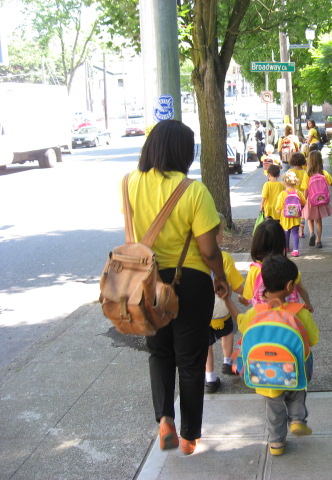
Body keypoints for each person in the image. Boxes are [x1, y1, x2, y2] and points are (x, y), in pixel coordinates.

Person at [126, 119, 230, 456]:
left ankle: (164, 420)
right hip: (191, 282)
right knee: (190, 359)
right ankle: (189, 437)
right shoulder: (193, 191)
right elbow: (209, 249)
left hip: (147, 281)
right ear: (183, 152)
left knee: (159, 352)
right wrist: (220, 277)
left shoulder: (128, 184)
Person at [225, 255, 319, 456]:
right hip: (294, 371)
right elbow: (313, 340)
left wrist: (227, 300)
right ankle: (296, 419)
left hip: (264, 372)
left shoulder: (255, 312)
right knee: (297, 391)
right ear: (290, 285)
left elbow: (241, 324)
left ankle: (276, 444)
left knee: (273, 405)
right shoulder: (299, 312)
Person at [205, 214, 248, 394]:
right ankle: (227, 361)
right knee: (228, 332)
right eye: (221, 231)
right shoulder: (225, 258)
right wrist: (248, 295)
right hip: (222, 309)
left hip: (203, 312)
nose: (222, 234)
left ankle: (210, 379)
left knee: (206, 346)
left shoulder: (194, 259)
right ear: (216, 235)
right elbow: (237, 286)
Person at [243, 219, 313, 312]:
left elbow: (248, 297)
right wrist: (308, 304)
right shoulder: (287, 267)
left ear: (257, 243)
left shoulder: (254, 270)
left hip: (264, 319)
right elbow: (301, 287)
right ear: (281, 242)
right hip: (290, 317)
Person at [301, 150, 332, 249]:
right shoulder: (323, 173)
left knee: (310, 219)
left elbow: (306, 190)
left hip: (311, 201)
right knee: (318, 221)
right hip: (320, 201)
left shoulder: (307, 175)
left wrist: (303, 201)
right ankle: (318, 240)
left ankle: (311, 233)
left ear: (309, 161)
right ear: (320, 161)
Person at [276, 170, 306, 257]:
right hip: (296, 218)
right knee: (295, 233)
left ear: (284, 182)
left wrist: (278, 210)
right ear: (295, 181)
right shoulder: (298, 193)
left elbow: (278, 207)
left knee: (286, 233)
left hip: (285, 218)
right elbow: (304, 202)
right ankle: (296, 250)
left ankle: (286, 247)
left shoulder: (282, 194)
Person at [289, 152, 308, 238]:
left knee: (293, 213)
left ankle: (294, 228)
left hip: (293, 196)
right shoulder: (305, 172)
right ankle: (301, 231)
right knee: (302, 215)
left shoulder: (290, 172)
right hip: (303, 196)